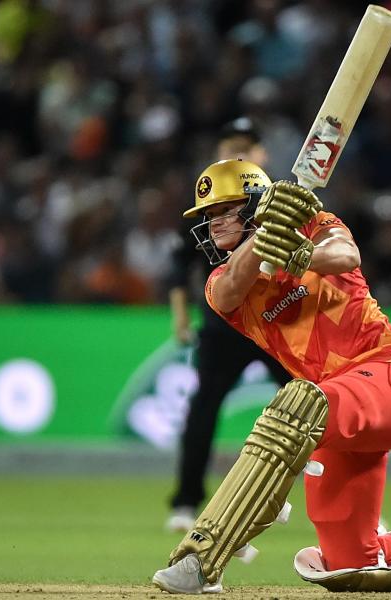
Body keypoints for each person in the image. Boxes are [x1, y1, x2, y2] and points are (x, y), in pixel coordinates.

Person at [151, 158, 391, 594]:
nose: (214, 223)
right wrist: (264, 238)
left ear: (256, 206)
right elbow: (229, 288)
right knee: (347, 563)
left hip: (388, 376)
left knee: (296, 403)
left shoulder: (315, 223)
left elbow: (345, 254)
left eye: (225, 210)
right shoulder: (223, 281)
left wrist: (301, 252)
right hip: (336, 419)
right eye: (208, 216)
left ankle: (202, 558)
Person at [165, 117, 292, 533]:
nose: (237, 154)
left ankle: (338, 493)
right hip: (225, 326)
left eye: (246, 147)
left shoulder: (280, 202)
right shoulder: (211, 208)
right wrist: (181, 317)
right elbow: (180, 267)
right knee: (203, 409)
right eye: (230, 146)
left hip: (277, 323)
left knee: (314, 408)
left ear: (262, 156)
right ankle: (185, 502)